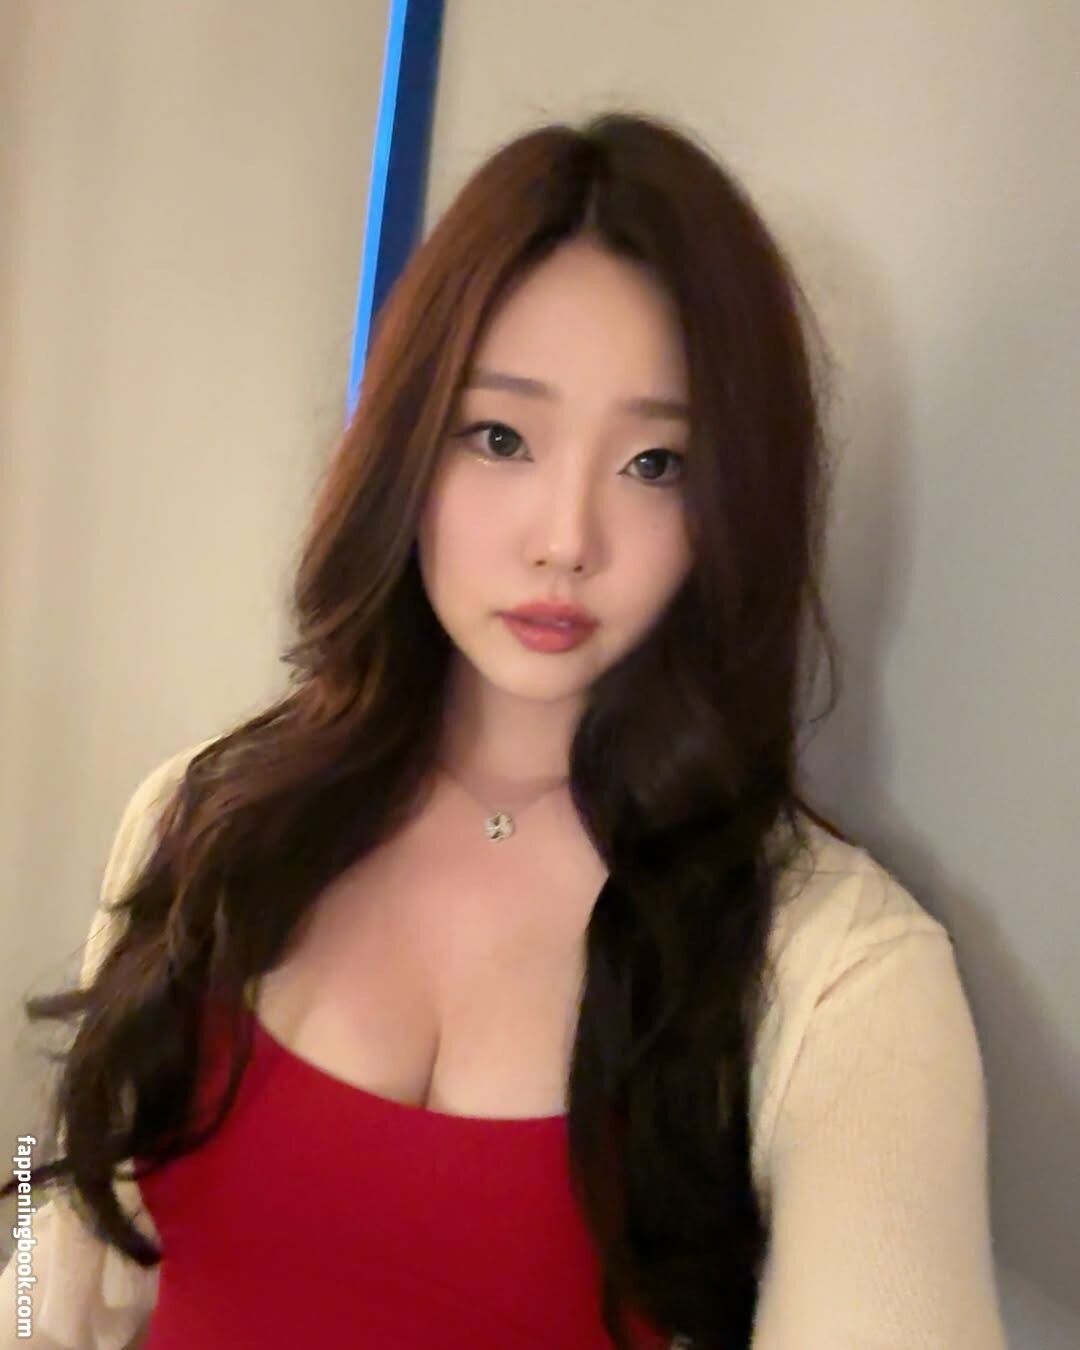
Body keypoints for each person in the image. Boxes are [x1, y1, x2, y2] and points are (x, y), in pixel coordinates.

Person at [0, 111, 1008, 1349]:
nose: (565, 538)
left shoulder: (842, 980)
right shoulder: (199, 818)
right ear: (408, 449)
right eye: (501, 438)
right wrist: (24, 1278)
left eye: (657, 464)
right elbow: (46, 1218)